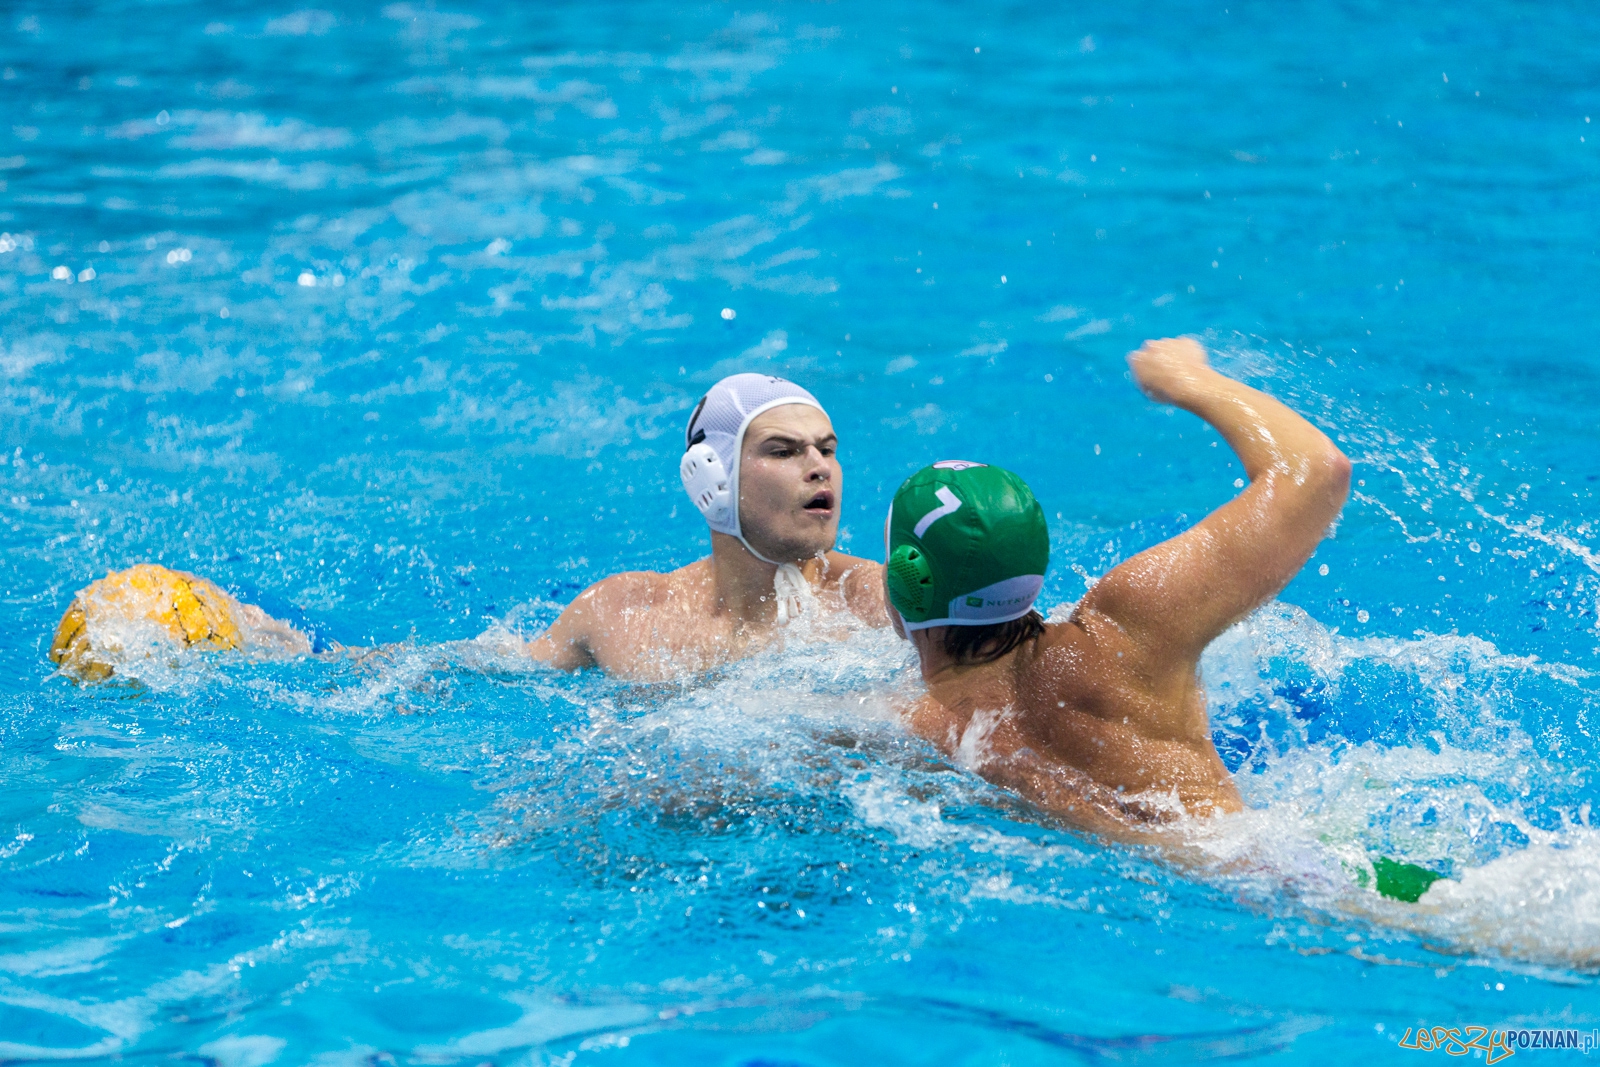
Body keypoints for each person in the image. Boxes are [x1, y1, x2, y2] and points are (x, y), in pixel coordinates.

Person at [883, 337, 1352, 841]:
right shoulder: (1125, 630)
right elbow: (1317, 472)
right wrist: (1185, 380)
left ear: (909, 584)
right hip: (1293, 870)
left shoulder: (917, 731)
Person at [517, 373, 889, 680]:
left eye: (826, 450)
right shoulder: (623, 615)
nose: (820, 467)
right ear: (712, 478)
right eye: (782, 451)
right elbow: (493, 673)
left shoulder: (882, 603)